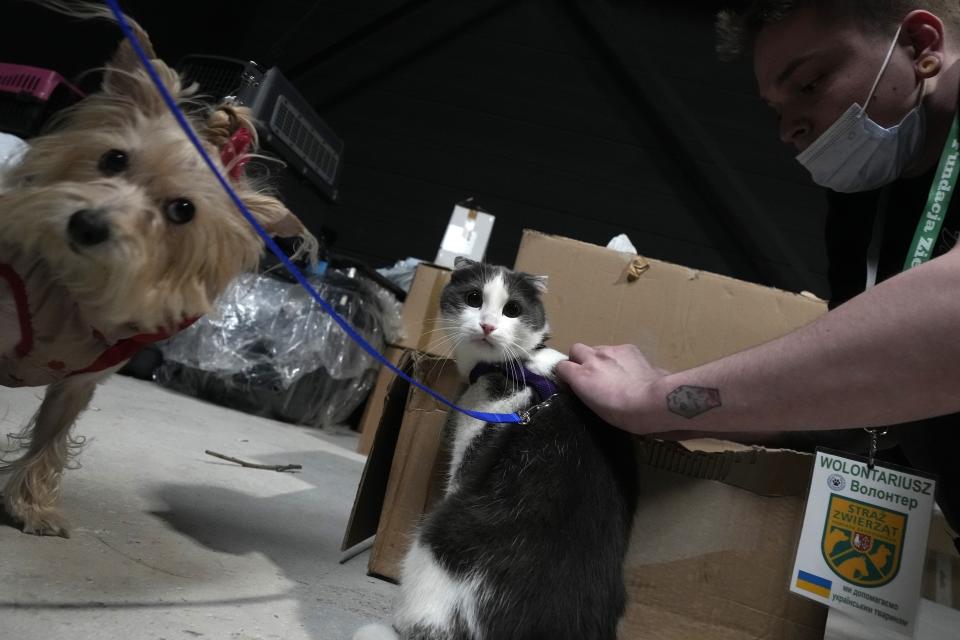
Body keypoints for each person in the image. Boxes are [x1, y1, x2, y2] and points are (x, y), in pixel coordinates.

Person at [555, 0, 960, 535]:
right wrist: (693, 418)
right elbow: (855, 404)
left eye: (810, 84)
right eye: (775, 108)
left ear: (921, 45)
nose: (789, 128)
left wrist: (656, 400)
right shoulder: (862, 206)